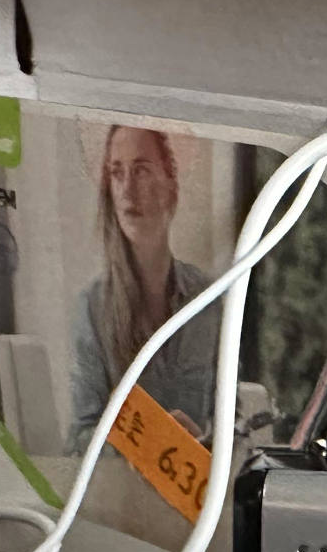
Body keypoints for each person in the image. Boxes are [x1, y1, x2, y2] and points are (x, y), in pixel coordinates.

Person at [68, 125, 220, 452]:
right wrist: (147, 443)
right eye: (117, 173)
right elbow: (79, 439)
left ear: (171, 187)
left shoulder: (209, 299)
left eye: (141, 171)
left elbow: (233, 422)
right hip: (124, 494)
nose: (127, 190)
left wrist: (207, 440)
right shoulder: (92, 307)